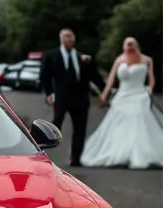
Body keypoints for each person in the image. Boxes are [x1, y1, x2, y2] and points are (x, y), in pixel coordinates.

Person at [80, 37, 163, 169]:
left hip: (140, 94)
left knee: (139, 120)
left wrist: (150, 89)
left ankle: (139, 153)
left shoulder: (147, 60)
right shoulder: (119, 60)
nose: (130, 48)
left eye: (132, 45)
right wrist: (104, 96)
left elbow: (152, 79)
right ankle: (119, 151)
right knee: (119, 122)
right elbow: (111, 80)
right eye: (127, 45)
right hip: (123, 95)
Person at [39, 29, 106, 167]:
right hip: (61, 97)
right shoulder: (52, 56)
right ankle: (40, 152)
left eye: (70, 37)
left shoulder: (82, 57)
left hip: (80, 98)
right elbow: (45, 76)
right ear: (61, 39)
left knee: (80, 128)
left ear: (74, 39)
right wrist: (49, 93)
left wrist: (105, 91)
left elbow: (94, 76)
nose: (68, 39)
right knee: (55, 125)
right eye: (66, 36)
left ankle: (76, 158)